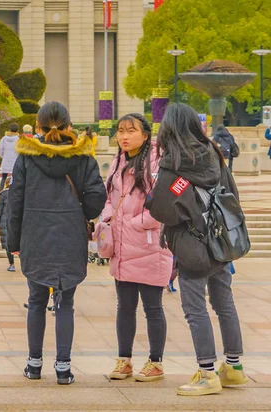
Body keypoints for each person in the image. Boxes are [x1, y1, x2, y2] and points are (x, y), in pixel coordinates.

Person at [146, 103, 247, 396]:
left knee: (195, 309)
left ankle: (207, 373)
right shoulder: (214, 153)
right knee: (224, 304)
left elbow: (164, 210)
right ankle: (234, 368)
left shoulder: (174, 163)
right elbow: (232, 194)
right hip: (221, 242)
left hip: (193, 246)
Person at [8, 101, 107, 385]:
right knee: (65, 303)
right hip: (70, 234)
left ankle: (34, 363)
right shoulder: (84, 157)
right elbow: (96, 198)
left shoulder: (26, 158)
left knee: (36, 301)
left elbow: (15, 202)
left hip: (35, 235)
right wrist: (82, 213)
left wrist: (14, 241)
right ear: (68, 126)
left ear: (37, 127)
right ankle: (63, 368)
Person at [101, 113, 173, 383]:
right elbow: (109, 196)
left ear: (145, 134)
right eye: (120, 131)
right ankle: (124, 361)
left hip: (149, 245)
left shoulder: (158, 161)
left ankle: (155, 363)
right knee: (124, 306)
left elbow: (165, 203)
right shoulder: (119, 160)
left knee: (153, 307)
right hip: (122, 246)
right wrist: (107, 217)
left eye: (130, 131)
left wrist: (136, 223)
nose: (124, 136)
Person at [0, 176, 15, 272]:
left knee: (8, 244)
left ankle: (11, 263)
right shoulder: (17, 194)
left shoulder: (3, 195)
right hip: (15, 221)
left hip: (4, 221)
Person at [0, 123, 19, 191]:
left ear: (9, 130)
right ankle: (13, 192)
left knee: (3, 178)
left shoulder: (4, 138)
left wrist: (4, 157)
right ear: (17, 131)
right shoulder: (18, 139)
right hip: (14, 162)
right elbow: (19, 151)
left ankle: (0, 193)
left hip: (5, 161)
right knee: (15, 178)